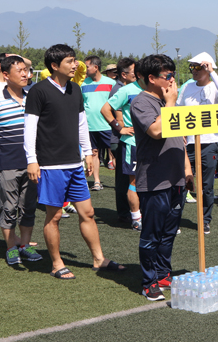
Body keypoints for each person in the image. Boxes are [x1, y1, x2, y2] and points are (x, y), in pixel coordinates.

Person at [25, 44, 126, 280]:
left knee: (88, 212)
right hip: (50, 165)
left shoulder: (75, 90)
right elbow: (29, 129)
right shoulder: (39, 91)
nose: (75, 66)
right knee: (54, 216)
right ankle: (57, 263)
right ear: (54, 66)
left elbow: (82, 124)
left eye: (75, 61)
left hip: (74, 163)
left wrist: (89, 153)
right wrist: (32, 160)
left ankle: (99, 259)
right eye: (70, 61)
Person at [131, 54, 193, 301]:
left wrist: (187, 172)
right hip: (155, 179)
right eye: (167, 76)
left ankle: (163, 272)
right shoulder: (142, 102)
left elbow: (181, 141)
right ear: (151, 79)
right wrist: (170, 103)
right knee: (152, 234)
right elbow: (157, 131)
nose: (172, 80)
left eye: (172, 74)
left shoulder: (170, 103)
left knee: (169, 232)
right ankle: (149, 282)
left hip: (177, 178)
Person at [0, 55, 42, 265]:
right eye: (20, 71)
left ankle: (24, 246)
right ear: (6, 75)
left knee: (29, 206)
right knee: (8, 207)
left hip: (33, 163)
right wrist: (2, 150)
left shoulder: (34, 98)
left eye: (26, 70)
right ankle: (11, 248)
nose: (25, 74)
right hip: (7, 163)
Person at [176, 52, 218, 234]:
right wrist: (180, 134)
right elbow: (178, 110)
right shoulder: (187, 87)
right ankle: (175, 219)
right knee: (182, 182)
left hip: (209, 142)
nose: (194, 70)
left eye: (199, 67)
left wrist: (212, 72)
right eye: (192, 67)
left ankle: (205, 220)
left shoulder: (215, 87)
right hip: (188, 143)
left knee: (207, 185)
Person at [107, 57, 136, 223]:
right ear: (124, 75)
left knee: (128, 176)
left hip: (126, 139)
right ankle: (124, 212)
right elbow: (108, 110)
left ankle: (128, 210)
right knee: (123, 177)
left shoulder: (127, 87)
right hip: (121, 139)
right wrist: (120, 128)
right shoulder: (120, 89)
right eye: (134, 72)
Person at [82, 55, 116, 190]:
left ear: (96, 67)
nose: (85, 70)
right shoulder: (83, 84)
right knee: (94, 153)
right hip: (89, 126)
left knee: (115, 152)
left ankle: (121, 181)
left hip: (107, 125)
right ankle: (97, 181)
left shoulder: (111, 83)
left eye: (87, 66)